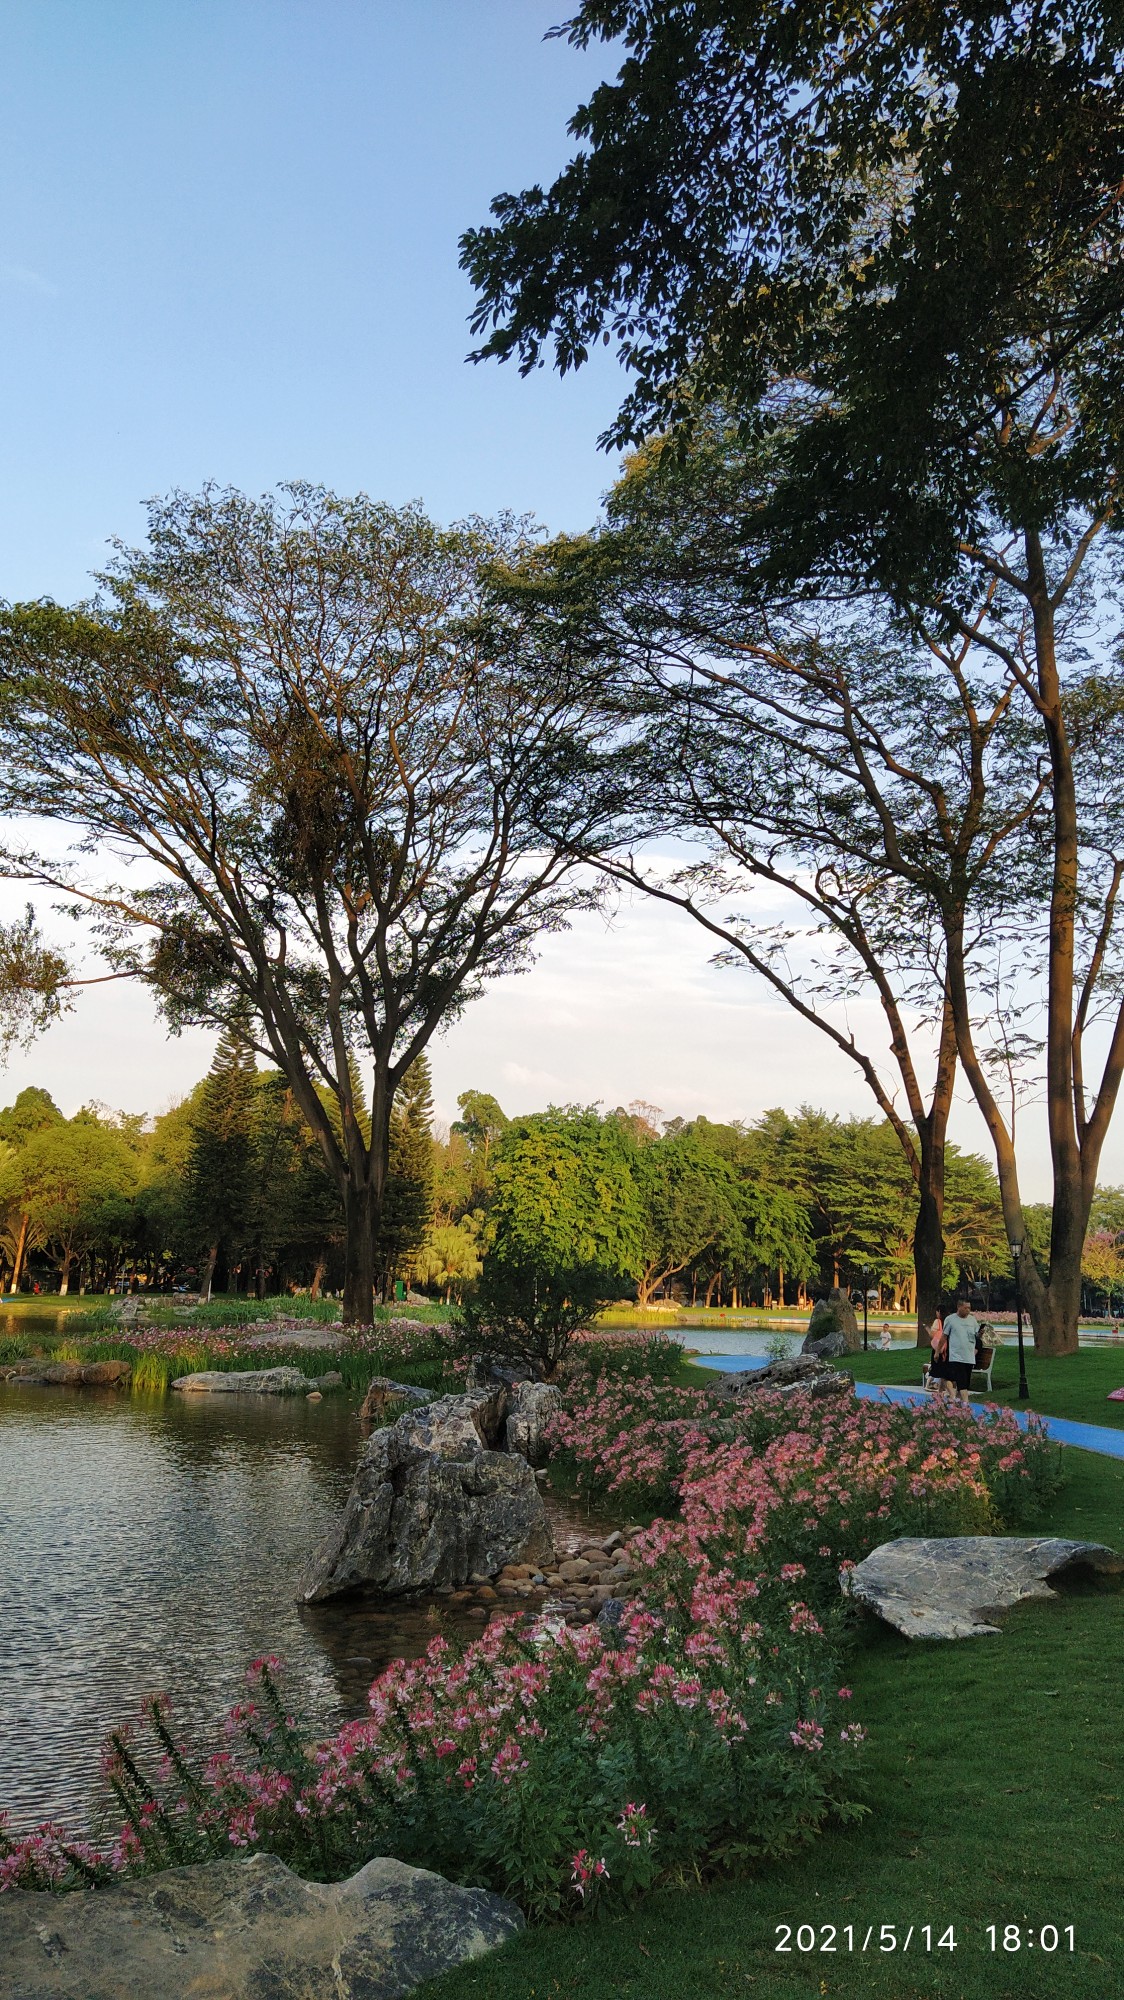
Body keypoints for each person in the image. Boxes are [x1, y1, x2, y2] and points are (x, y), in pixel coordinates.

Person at [943, 1296, 981, 1405]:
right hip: (956, 1356)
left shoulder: (972, 1320)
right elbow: (944, 1336)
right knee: (961, 1381)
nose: (968, 1310)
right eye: (965, 1308)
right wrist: (938, 1351)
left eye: (969, 1308)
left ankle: (958, 1402)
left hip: (969, 1356)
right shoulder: (950, 1319)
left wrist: (980, 1334)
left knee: (965, 1382)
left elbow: (976, 1335)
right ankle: (965, 1402)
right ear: (959, 1307)